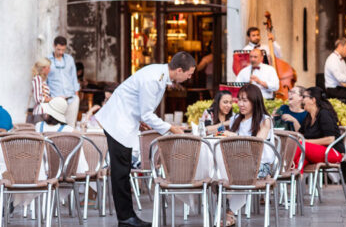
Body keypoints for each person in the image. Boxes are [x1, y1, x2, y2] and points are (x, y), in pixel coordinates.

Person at [95, 51, 196, 227]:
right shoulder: (154, 79)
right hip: (118, 123)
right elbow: (147, 113)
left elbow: (139, 106)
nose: (189, 77)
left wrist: (142, 120)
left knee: (123, 171)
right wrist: (172, 129)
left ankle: (127, 217)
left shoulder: (159, 73)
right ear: (179, 70)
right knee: (121, 173)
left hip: (123, 121)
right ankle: (126, 219)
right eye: (189, 74)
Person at [220, 83, 275, 227]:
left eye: (245, 100)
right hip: (236, 163)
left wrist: (233, 135)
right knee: (216, 173)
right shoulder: (235, 119)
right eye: (239, 99)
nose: (241, 104)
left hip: (259, 165)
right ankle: (221, 212)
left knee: (238, 173)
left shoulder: (264, 120)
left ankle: (229, 213)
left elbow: (257, 144)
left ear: (254, 100)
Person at [295, 87, 345, 170]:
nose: (301, 100)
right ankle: (294, 179)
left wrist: (305, 142)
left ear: (313, 100)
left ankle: (281, 171)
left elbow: (330, 139)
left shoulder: (324, 114)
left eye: (304, 97)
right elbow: (300, 135)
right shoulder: (308, 117)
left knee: (299, 146)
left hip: (332, 152)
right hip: (317, 151)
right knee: (299, 161)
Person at [46, 36, 81, 127]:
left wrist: (76, 94)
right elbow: (44, 81)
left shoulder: (70, 59)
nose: (61, 52)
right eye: (58, 49)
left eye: (63, 50)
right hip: (55, 99)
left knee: (70, 127)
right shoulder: (47, 61)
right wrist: (48, 99)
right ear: (54, 46)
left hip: (71, 98)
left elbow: (74, 78)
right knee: (56, 127)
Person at [31, 58, 53, 123]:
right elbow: (38, 99)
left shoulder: (43, 80)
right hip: (40, 113)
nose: (50, 70)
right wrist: (52, 99)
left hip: (45, 112)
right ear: (43, 68)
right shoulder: (37, 79)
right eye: (48, 68)